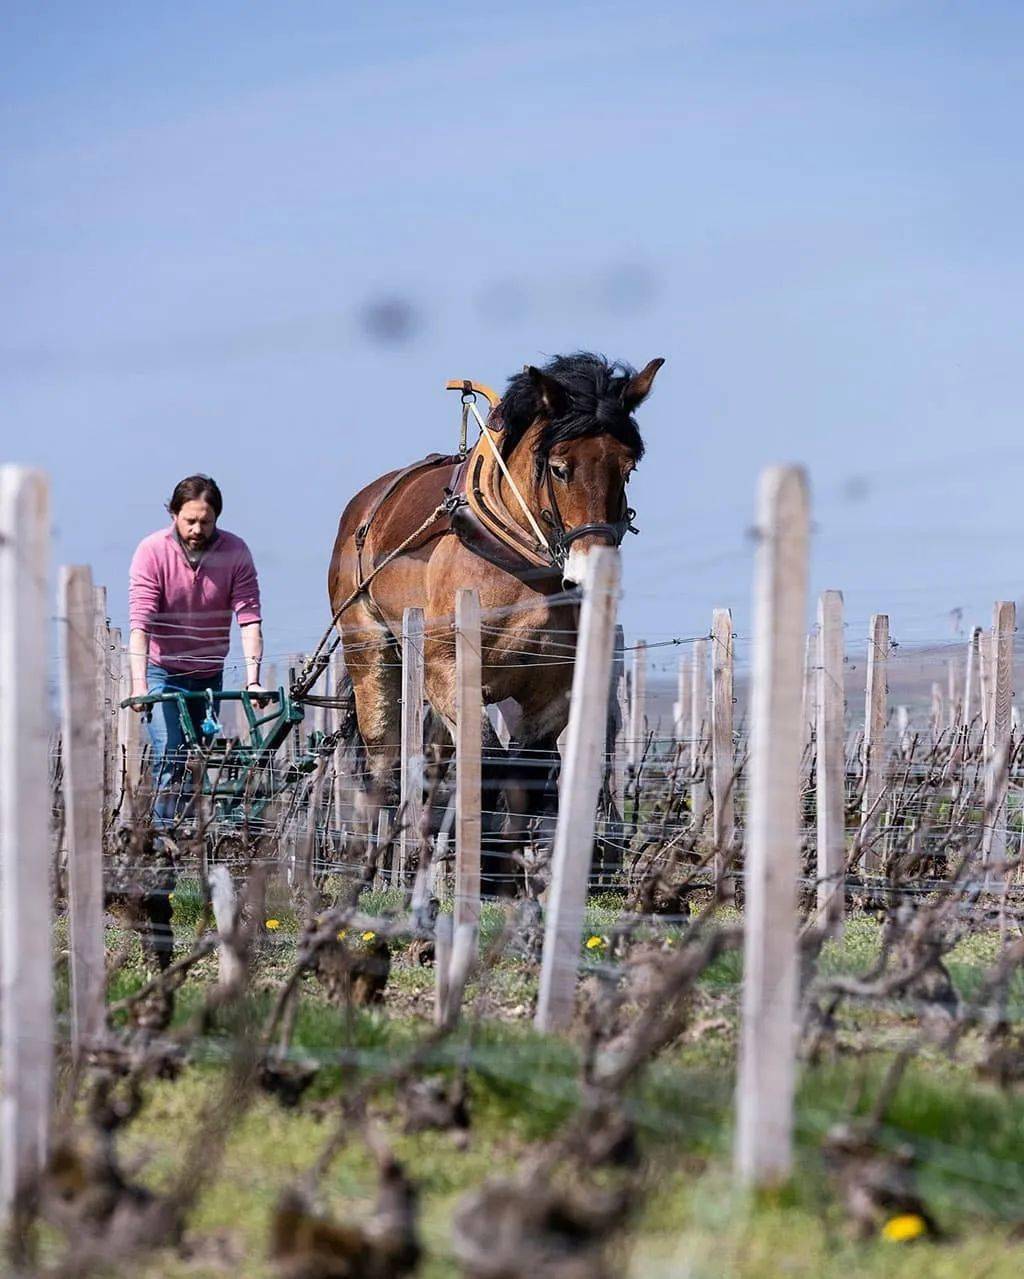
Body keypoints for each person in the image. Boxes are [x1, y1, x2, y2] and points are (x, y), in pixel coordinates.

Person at [128, 474, 266, 824]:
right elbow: (140, 624)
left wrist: (252, 681)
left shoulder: (235, 553)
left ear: (217, 518)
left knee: (196, 761)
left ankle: (189, 841)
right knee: (170, 755)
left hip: (208, 677)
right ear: (173, 514)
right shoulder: (152, 552)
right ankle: (164, 844)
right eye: (190, 520)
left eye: (206, 521)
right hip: (162, 673)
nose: (197, 529)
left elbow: (249, 618)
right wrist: (140, 685)